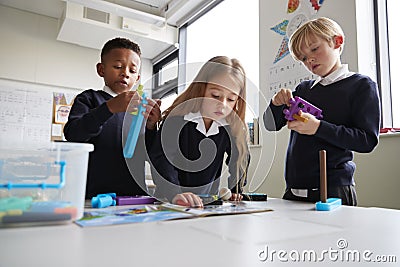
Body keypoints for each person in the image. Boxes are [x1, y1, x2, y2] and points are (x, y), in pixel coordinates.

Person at [263, 17, 380, 206]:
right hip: (293, 190)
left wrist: (318, 128)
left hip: (334, 190)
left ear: (337, 42)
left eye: (314, 49)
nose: (309, 59)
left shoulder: (361, 86)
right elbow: (270, 125)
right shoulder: (303, 89)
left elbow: (367, 140)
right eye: (302, 58)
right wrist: (276, 104)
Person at [64, 37, 161, 198]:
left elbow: (150, 154)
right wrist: (109, 108)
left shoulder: (139, 109)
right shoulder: (89, 99)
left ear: (137, 79)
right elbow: (74, 134)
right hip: (94, 196)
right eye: (118, 66)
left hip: (134, 197)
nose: (125, 73)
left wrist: (151, 127)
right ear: (101, 70)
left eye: (132, 71)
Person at [149, 56, 250, 207]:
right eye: (215, 95)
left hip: (207, 203)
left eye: (231, 99)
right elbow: (162, 159)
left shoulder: (229, 128)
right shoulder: (176, 120)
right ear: (201, 89)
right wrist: (175, 192)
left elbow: (240, 158)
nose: (222, 105)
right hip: (170, 201)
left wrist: (235, 189)